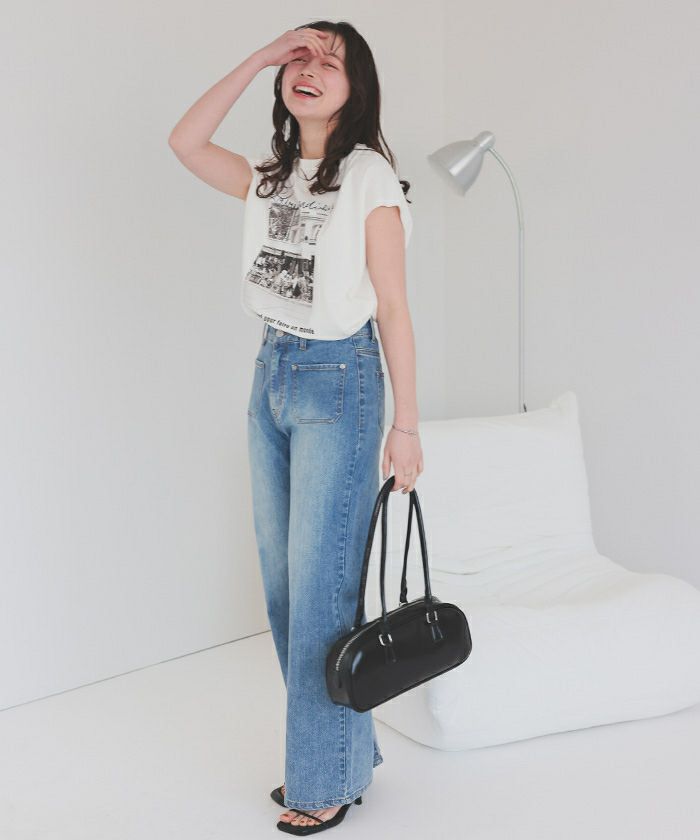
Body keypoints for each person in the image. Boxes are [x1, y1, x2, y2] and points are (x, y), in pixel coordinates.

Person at [168, 20, 423, 835]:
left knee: (321, 592)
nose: (309, 69)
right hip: (272, 373)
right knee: (284, 589)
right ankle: (344, 755)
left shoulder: (369, 177)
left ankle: (322, 779)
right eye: (301, 58)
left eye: (330, 64)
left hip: (340, 380)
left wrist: (407, 425)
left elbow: (393, 306)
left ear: (357, 89)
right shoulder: (271, 176)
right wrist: (258, 56)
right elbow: (185, 141)